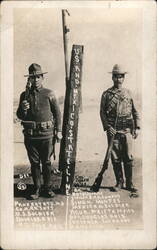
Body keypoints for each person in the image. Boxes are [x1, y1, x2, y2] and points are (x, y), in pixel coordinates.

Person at [17, 63, 62, 199]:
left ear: (42, 78)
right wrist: (23, 109)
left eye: (38, 77)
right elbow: (20, 115)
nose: (35, 80)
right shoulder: (24, 95)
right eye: (32, 77)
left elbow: (58, 114)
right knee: (34, 163)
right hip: (31, 136)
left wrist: (58, 131)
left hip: (47, 134)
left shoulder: (49, 94)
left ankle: (47, 188)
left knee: (46, 162)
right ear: (29, 79)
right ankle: (36, 189)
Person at [100, 64, 140, 192]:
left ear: (124, 78)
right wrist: (107, 127)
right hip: (113, 131)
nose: (119, 79)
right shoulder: (106, 94)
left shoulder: (129, 93)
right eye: (116, 77)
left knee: (128, 156)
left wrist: (137, 127)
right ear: (112, 78)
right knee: (115, 157)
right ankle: (119, 182)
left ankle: (129, 183)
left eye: (121, 77)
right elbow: (102, 112)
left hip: (127, 129)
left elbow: (135, 112)